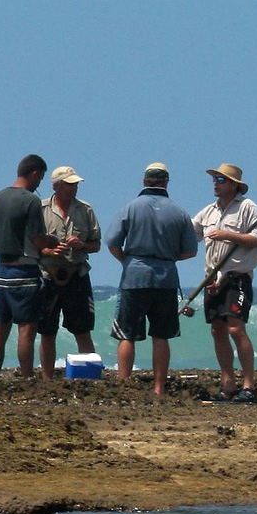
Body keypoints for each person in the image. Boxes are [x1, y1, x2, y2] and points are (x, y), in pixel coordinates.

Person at [104, 163, 197, 395]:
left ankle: (124, 384)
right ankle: (159, 387)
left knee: (127, 334)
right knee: (161, 335)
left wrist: (126, 260)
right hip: (165, 277)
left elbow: (112, 242)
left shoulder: (130, 208)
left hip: (135, 274)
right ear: (166, 182)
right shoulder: (179, 212)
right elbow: (190, 251)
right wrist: (168, 256)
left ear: (145, 181)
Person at [184, 163, 257, 402]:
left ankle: (249, 384)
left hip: (236, 277)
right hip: (213, 280)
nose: (215, 183)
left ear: (234, 185)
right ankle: (228, 383)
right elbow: (190, 231)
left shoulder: (247, 207)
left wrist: (228, 235)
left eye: (221, 180)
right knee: (217, 329)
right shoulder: (209, 211)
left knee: (235, 327)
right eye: (215, 179)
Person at [0, 154, 58, 378]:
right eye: (41, 178)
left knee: (0, 329)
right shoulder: (30, 200)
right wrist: (51, 241)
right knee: (27, 329)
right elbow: (37, 239)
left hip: (2, 271)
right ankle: (26, 377)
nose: (39, 183)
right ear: (34, 173)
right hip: (25, 271)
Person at [39, 165, 102, 378]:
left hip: (77, 275)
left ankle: (89, 376)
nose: (74, 188)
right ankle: (47, 377)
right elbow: (31, 244)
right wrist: (48, 250)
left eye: (75, 184)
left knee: (82, 330)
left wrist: (82, 245)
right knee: (47, 331)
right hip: (49, 276)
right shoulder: (41, 209)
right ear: (56, 186)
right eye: (69, 184)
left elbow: (96, 245)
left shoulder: (85, 210)